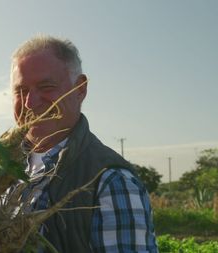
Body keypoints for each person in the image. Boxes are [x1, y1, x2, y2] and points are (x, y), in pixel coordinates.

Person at [10, 35, 158, 252]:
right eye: (21, 91)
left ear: (80, 89)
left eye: (46, 87)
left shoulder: (111, 182)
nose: (30, 103)